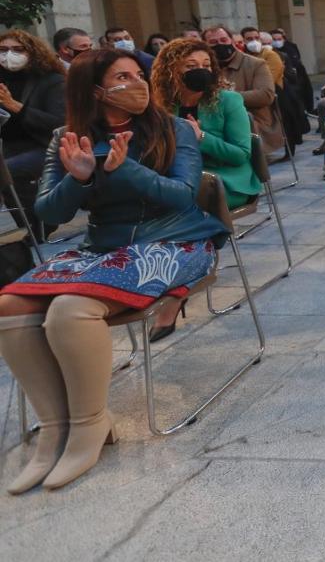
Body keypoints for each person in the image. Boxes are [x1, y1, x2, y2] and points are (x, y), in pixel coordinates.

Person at [0, 49, 224, 494]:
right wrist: (79, 178)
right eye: (123, 76)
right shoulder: (67, 136)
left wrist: (126, 171)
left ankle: (89, 424)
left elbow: (181, 196)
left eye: (138, 74)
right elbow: (48, 212)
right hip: (103, 246)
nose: (137, 83)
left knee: (69, 308)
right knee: (8, 304)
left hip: (175, 240)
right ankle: (54, 427)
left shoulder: (173, 128)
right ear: (96, 90)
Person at [148, 38, 262, 341]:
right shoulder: (160, 104)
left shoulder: (228, 101)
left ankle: (175, 290)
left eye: (205, 65)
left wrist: (200, 138)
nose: (201, 71)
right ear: (170, 70)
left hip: (225, 179)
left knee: (186, 199)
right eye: (190, 66)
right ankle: (157, 273)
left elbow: (241, 153)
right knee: (152, 198)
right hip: (180, 180)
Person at [0, 30, 66, 240]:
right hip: (9, 145)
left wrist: (14, 106)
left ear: (32, 52)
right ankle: (36, 224)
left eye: (17, 49)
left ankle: (39, 225)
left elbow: (58, 123)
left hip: (44, 144)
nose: (9, 55)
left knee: (8, 172)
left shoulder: (51, 80)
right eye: (2, 50)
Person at [202, 25, 280, 156]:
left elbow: (266, 95)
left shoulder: (255, 64)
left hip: (253, 120)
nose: (220, 45)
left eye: (223, 40)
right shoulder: (204, 66)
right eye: (213, 43)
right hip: (213, 120)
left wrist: (226, 98)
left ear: (232, 41)